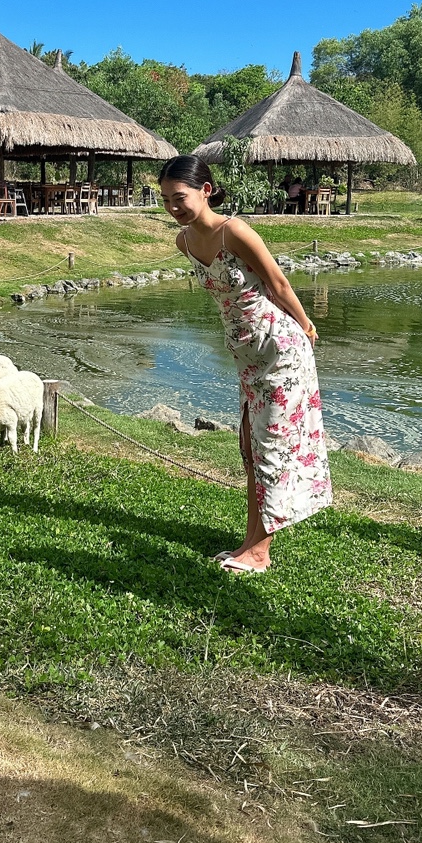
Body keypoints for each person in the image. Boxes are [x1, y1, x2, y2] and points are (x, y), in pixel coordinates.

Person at [158, 154, 332, 574]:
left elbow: (278, 283)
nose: (173, 207)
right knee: (250, 449)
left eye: (179, 197)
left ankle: (260, 551)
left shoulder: (233, 230)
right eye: (164, 199)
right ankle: (249, 541)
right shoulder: (184, 242)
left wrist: (307, 326)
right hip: (246, 353)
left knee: (271, 445)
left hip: (279, 346)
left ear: (205, 190)